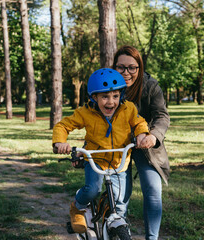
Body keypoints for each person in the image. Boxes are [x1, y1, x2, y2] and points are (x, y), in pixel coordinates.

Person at [52, 68, 150, 233]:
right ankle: (78, 207)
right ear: (94, 97)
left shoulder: (129, 109)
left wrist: (142, 134)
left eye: (115, 96)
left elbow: (139, 122)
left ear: (121, 95)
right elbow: (63, 125)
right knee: (93, 190)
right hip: (95, 160)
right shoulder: (86, 112)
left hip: (120, 162)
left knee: (120, 203)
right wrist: (60, 142)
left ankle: (113, 229)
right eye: (104, 96)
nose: (110, 102)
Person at [112, 45, 170, 239]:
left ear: (140, 68)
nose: (126, 73)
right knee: (120, 195)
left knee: (153, 191)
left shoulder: (151, 86)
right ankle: (120, 234)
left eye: (132, 68)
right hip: (117, 146)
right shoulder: (107, 84)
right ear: (114, 67)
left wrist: (153, 136)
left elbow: (161, 115)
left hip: (145, 146)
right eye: (121, 67)